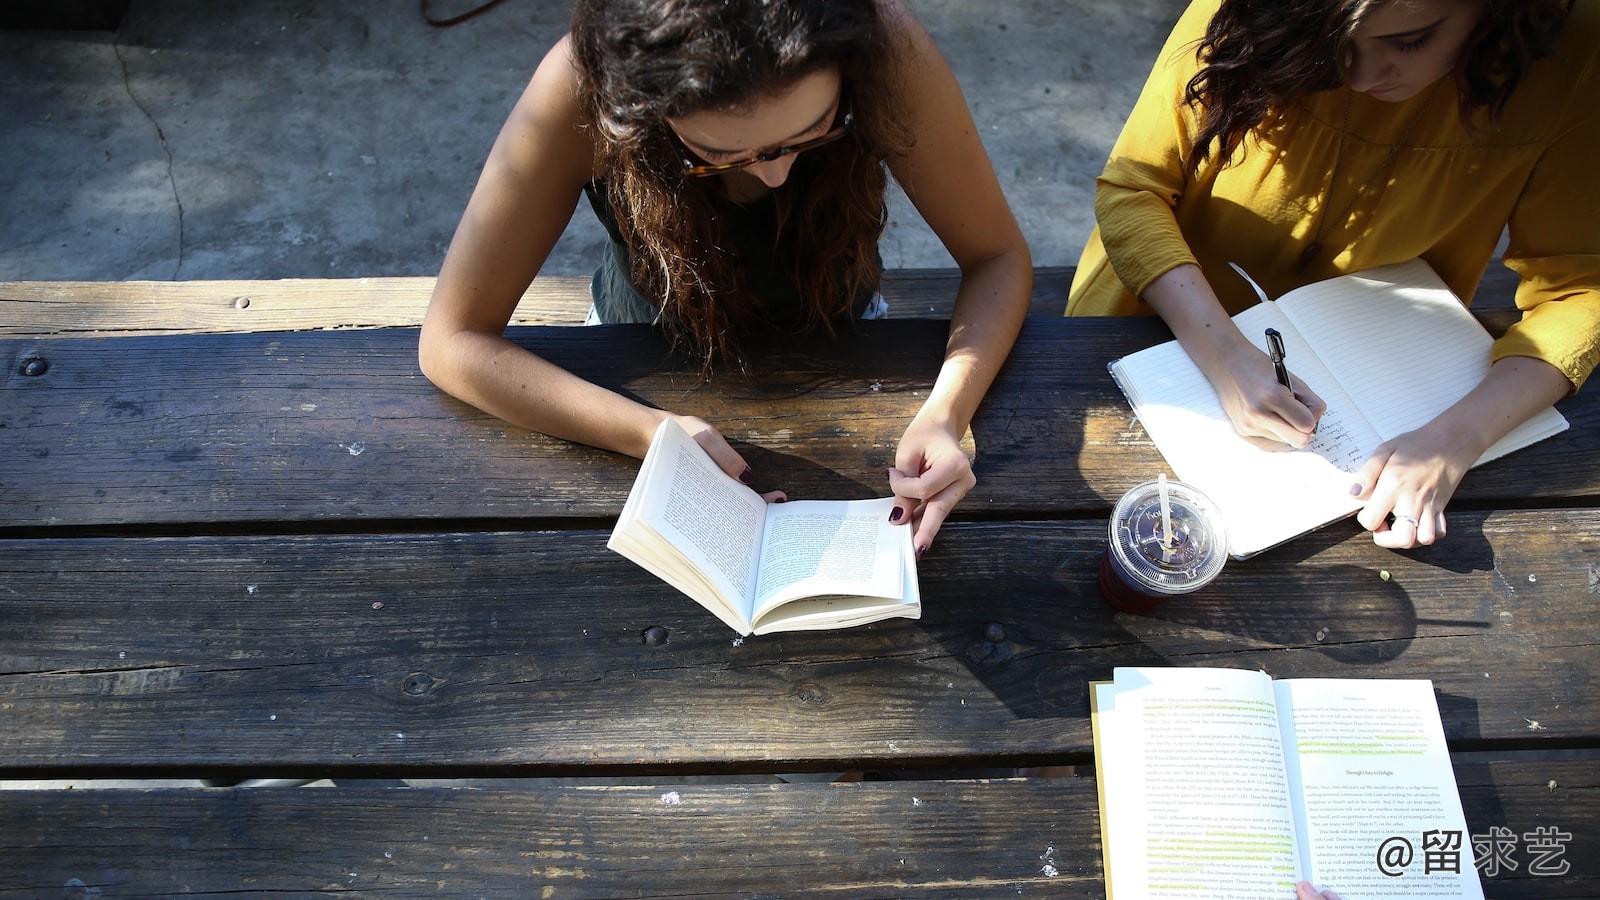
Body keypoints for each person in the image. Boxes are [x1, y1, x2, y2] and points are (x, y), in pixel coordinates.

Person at [419, 0, 1031, 557]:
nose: (776, 176)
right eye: (721, 155)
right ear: (640, 109)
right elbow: (452, 341)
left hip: (845, 334)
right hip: (637, 351)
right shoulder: (583, 84)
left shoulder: (883, 44)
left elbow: (997, 256)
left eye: (816, 129)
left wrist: (947, 413)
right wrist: (652, 433)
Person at [1068, 0, 1599, 549]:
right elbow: (1135, 190)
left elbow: (1582, 290)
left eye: (1410, 40)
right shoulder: (1249, 11)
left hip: (1393, 382)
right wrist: (1225, 355)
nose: (1364, 75)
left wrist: (1455, 440)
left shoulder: (1572, 55)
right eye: (1337, 42)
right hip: (1151, 318)